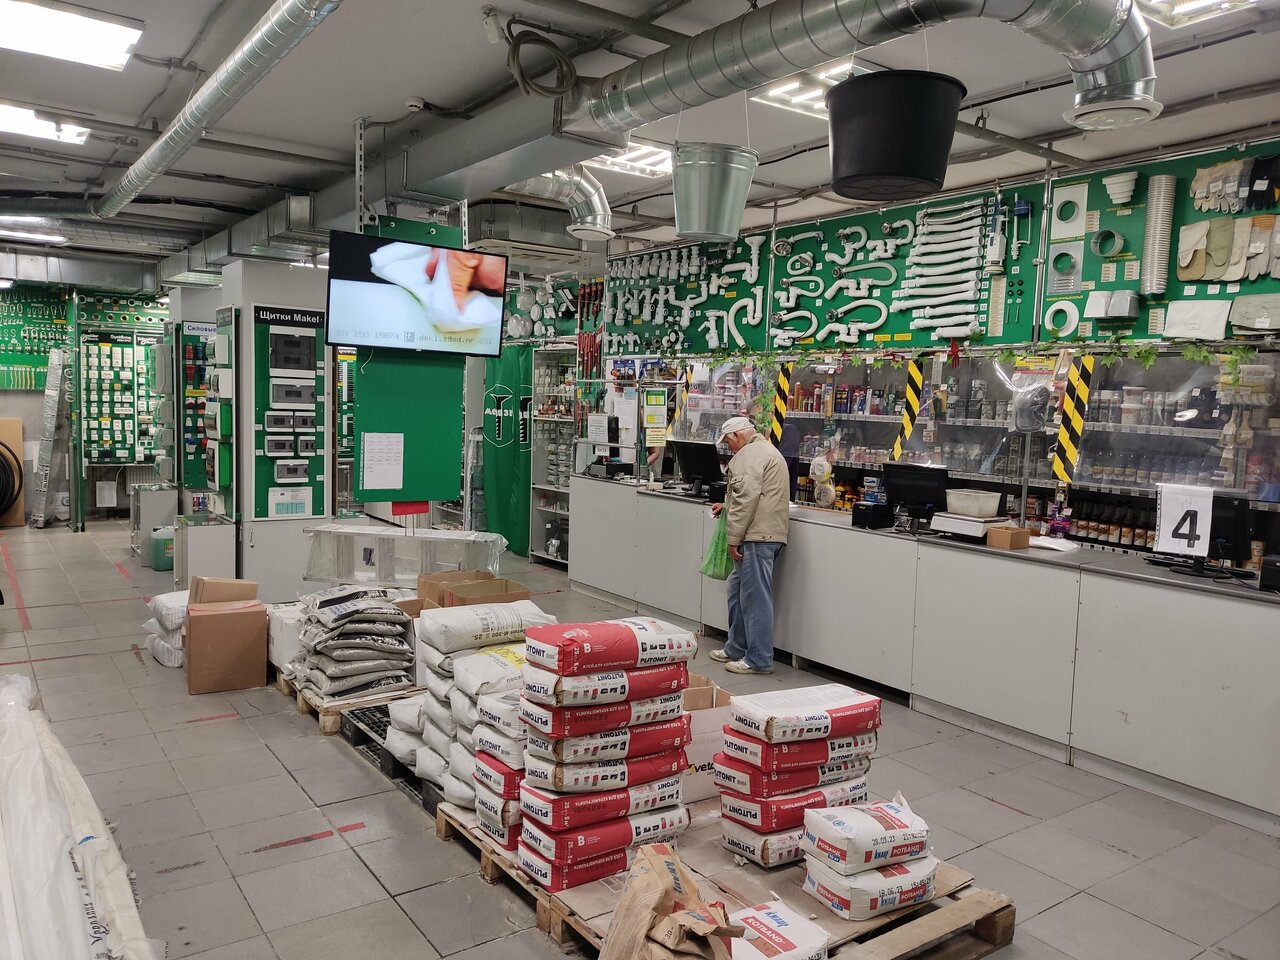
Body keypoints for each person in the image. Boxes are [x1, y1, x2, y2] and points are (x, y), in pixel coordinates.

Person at [708, 416, 790, 675]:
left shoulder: (750, 453)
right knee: (737, 590)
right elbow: (755, 494)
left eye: (728, 441)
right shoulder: (763, 450)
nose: (728, 447)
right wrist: (727, 506)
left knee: (755, 598)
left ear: (738, 435)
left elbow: (746, 498)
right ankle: (736, 647)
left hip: (758, 536)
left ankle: (759, 659)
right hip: (761, 533)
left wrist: (733, 539)